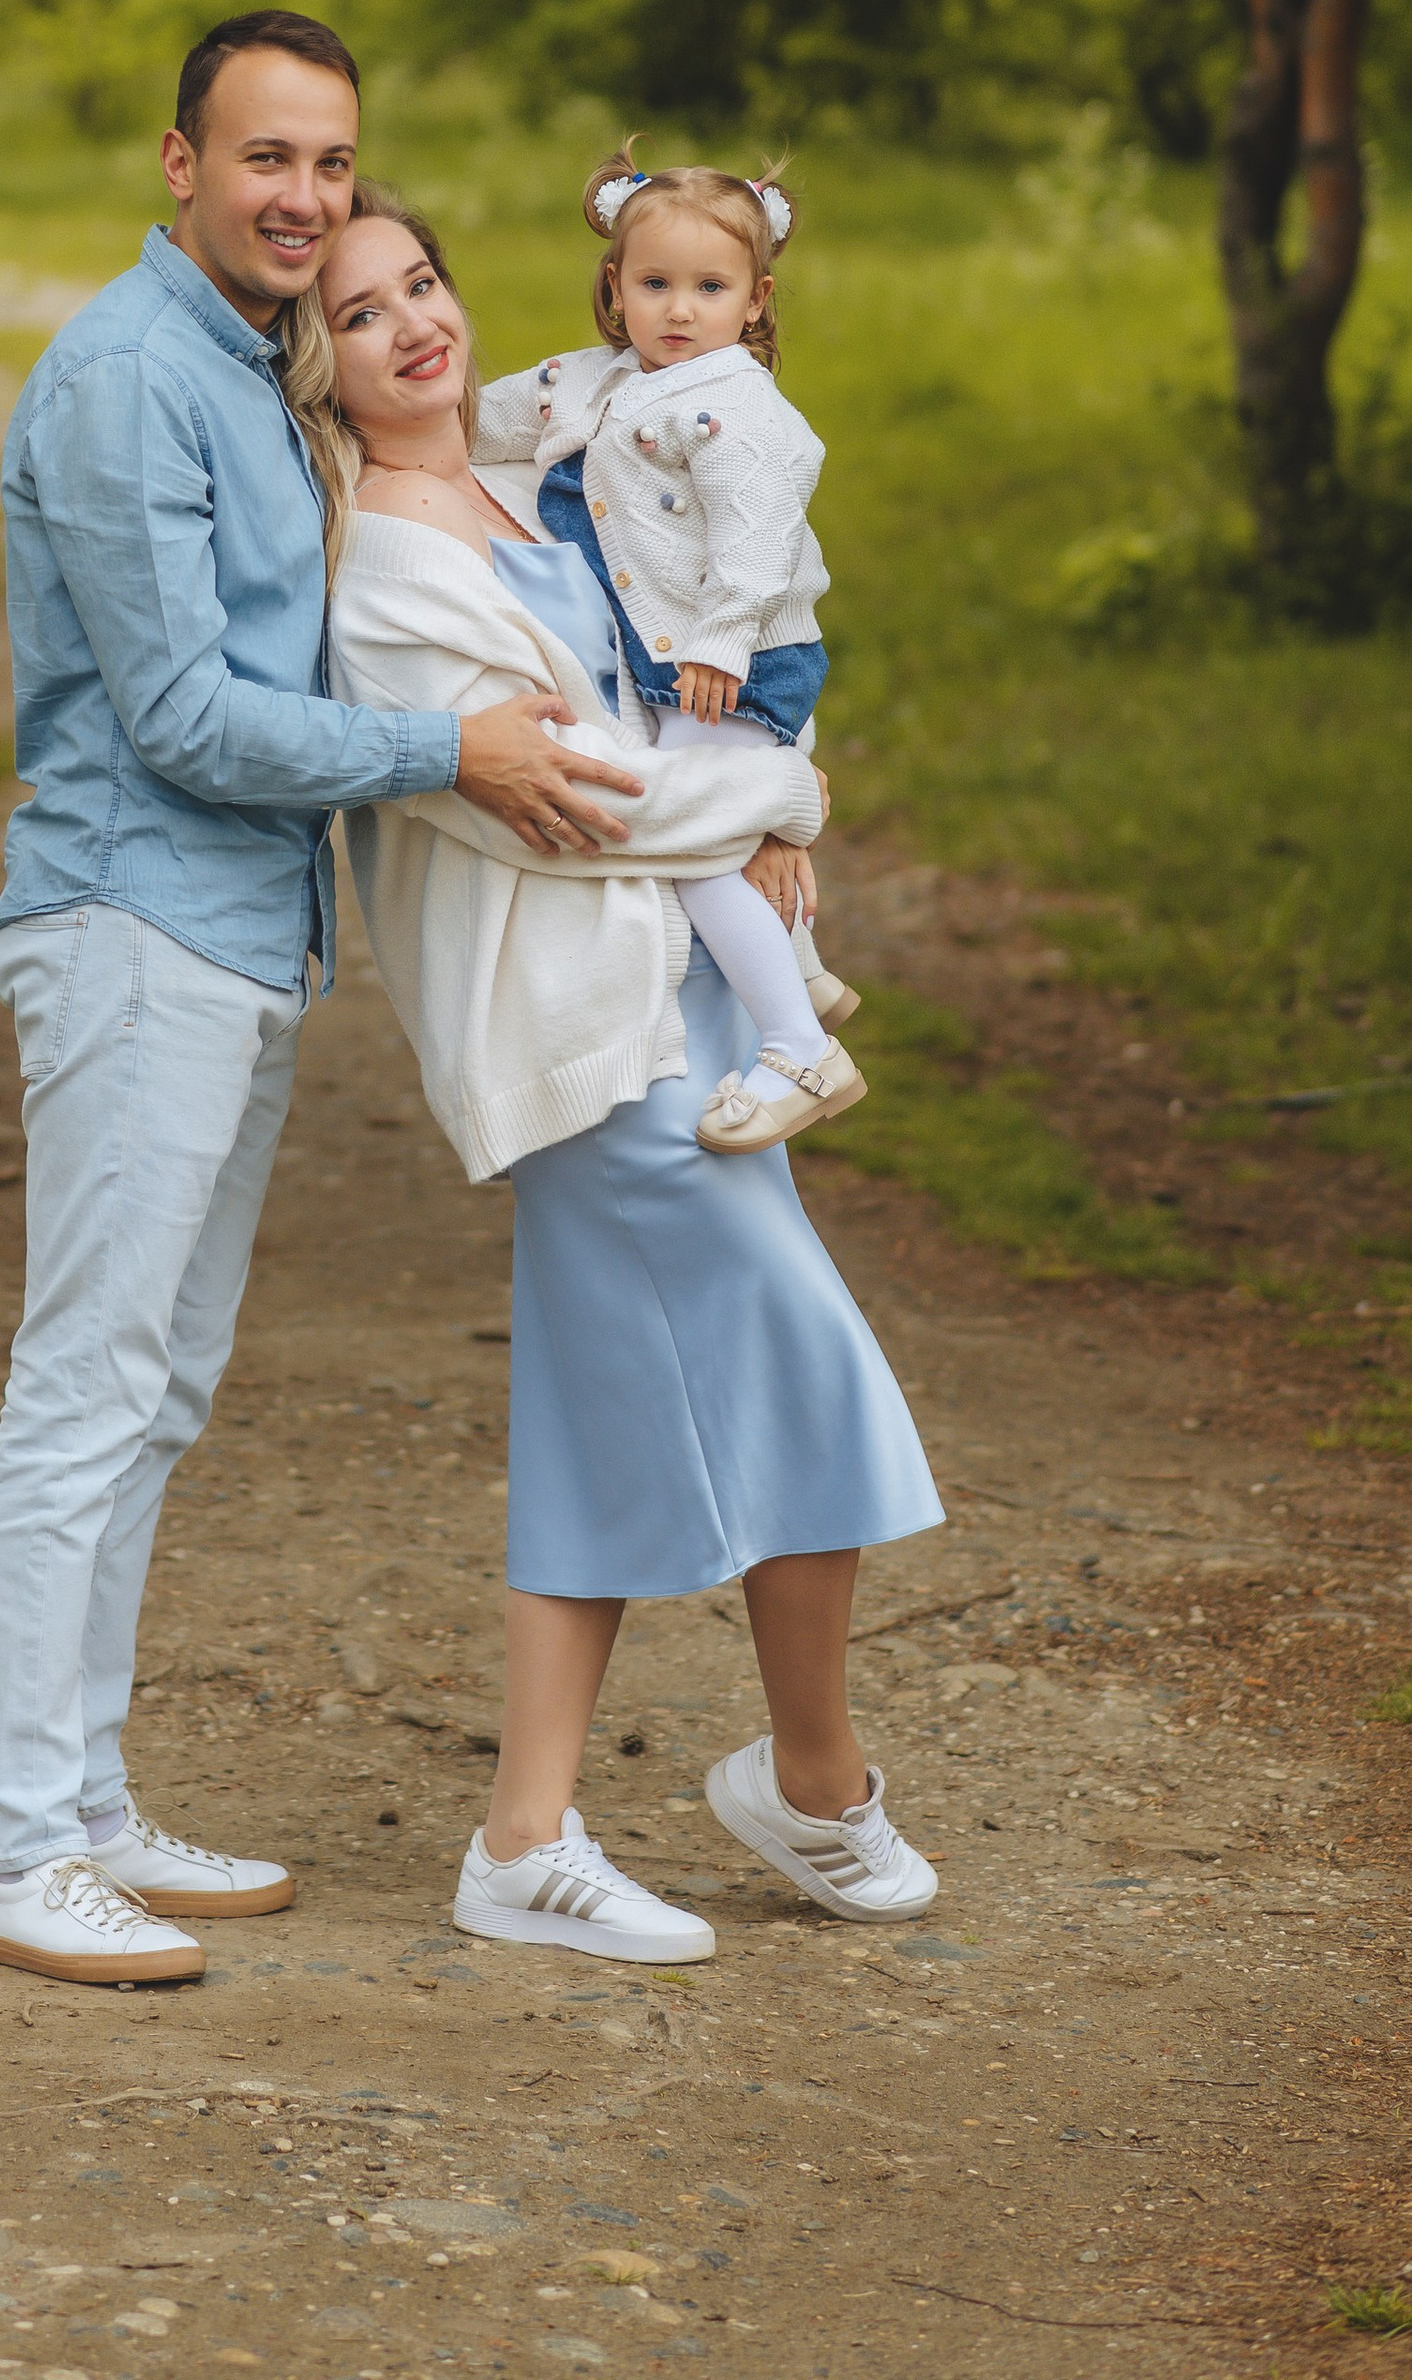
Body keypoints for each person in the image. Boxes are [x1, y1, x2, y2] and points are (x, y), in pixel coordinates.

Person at [0, 12, 651, 1990]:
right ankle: (16, 1850)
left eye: (330, 164)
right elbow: (174, 716)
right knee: (82, 1393)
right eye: (265, 159)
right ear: (177, 164)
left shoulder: (248, 370)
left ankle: (85, 1805)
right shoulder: (119, 382)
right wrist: (445, 753)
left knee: (151, 1395)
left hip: (236, 941)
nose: (303, 198)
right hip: (129, 927)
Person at [300, 186, 945, 1966]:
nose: (417, 326)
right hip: (591, 1033)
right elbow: (586, 803)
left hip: (694, 997)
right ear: (316, 363)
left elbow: (705, 654)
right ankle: (810, 1785)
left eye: (423, 282)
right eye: (363, 316)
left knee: (601, 1407)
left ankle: (528, 1835)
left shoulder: (550, 446)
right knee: (801, 1353)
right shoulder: (374, 570)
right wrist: (784, 807)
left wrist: (765, 775)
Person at [488, 149, 865, 1155]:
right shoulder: (592, 379)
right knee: (716, 817)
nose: (678, 310)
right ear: (614, 286)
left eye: (709, 288)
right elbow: (489, 415)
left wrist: (722, 640)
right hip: (677, 659)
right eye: (654, 284)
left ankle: (796, 1049)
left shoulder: (734, 406)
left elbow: (757, 531)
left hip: (731, 657)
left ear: (754, 301)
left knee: (697, 844)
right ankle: (803, 967)